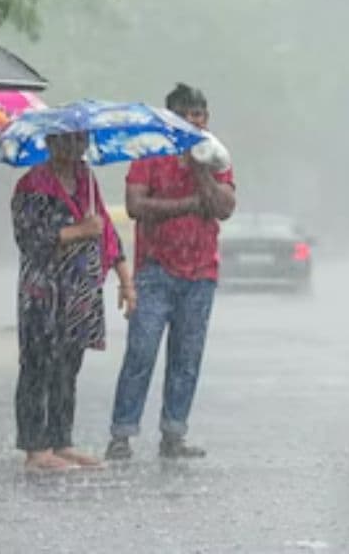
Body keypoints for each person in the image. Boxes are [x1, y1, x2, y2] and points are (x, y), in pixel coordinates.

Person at [106, 83, 236, 461]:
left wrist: (200, 172)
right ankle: (122, 434)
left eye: (199, 115)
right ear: (169, 119)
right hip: (155, 269)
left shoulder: (216, 157)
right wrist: (190, 204)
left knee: (187, 357)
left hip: (201, 272)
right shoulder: (149, 152)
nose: (193, 122)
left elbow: (224, 206)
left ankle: (174, 434)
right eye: (185, 115)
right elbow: (135, 205)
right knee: (141, 353)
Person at [11, 132, 135, 471]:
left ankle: (61, 440)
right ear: (50, 143)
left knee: (68, 367)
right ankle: (35, 448)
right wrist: (80, 230)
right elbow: (30, 239)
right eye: (67, 142)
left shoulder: (86, 180)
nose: (75, 149)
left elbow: (106, 232)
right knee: (38, 366)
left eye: (80, 142)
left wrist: (125, 280)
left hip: (80, 292)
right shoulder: (33, 185)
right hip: (44, 293)